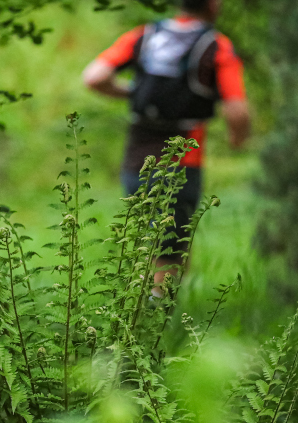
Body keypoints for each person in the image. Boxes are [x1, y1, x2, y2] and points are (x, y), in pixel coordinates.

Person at [82, 0, 250, 294]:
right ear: (213, 5)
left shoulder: (144, 34)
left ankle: (133, 310)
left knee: (142, 234)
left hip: (137, 150)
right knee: (172, 245)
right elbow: (236, 109)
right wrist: (239, 139)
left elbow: (94, 77)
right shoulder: (216, 45)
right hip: (184, 154)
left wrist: (131, 93)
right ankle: (158, 316)